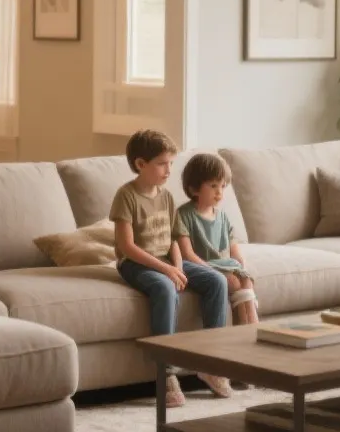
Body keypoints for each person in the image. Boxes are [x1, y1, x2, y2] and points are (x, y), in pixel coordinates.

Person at [110, 130, 230, 408]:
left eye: (171, 164)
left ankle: (211, 363)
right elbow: (127, 247)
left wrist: (178, 267)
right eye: (163, 164)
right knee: (165, 288)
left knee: (216, 281)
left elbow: (175, 239)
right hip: (137, 264)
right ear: (141, 164)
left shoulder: (166, 197)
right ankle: (165, 374)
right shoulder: (126, 196)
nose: (169, 170)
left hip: (166, 259)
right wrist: (166, 272)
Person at [175, 153, 260, 330]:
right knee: (235, 283)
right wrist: (212, 271)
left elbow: (234, 251)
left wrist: (240, 268)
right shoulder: (184, 215)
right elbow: (187, 254)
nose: (219, 192)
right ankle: (249, 333)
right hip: (203, 267)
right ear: (194, 189)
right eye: (213, 186)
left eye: (223, 186)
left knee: (246, 281)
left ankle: (249, 331)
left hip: (225, 265)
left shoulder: (222, 217)